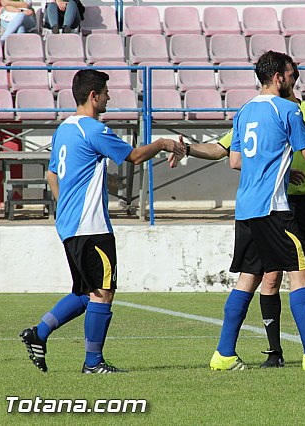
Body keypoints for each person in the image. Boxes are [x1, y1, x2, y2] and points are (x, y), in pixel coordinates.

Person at [170, 63, 305, 368]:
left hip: (246, 209)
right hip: (274, 210)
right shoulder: (289, 110)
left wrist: (277, 170)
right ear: (278, 78)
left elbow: (235, 160)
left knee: (248, 278)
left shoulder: (245, 111)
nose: (294, 81)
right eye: (291, 76)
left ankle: (224, 354)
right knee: (302, 273)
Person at [20, 69, 185, 374]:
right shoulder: (93, 129)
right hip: (91, 227)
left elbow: (52, 175)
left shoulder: (64, 129)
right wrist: (162, 143)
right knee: (103, 292)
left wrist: (67, 209)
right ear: (94, 96)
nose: (109, 97)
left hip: (70, 226)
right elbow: (134, 157)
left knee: (85, 293)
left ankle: (38, 334)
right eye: (106, 93)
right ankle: (93, 363)